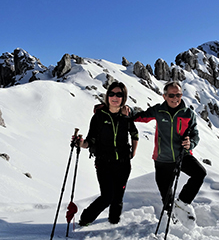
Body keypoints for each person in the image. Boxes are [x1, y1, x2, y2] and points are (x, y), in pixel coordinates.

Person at [133, 81, 206, 223]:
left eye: (178, 94)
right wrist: (125, 111)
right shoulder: (158, 111)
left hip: (182, 156)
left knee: (200, 173)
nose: (175, 98)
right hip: (162, 159)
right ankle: (171, 217)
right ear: (164, 96)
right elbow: (140, 116)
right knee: (166, 194)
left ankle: (182, 203)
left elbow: (195, 134)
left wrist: (191, 143)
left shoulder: (188, 113)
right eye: (171, 95)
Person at [76, 81, 139, 226]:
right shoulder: (99, 116)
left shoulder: (126, 116)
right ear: (107, 96)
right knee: (108, 196)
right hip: (104, 163)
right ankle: (86, 218)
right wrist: (81, 143)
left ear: (124, 97)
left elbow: (135, 134)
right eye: (111, 94)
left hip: (123, 163)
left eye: (119, 94)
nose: (115, 97)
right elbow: (90, 139)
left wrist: (133, 152)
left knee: (118, 197)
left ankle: (113, 222)